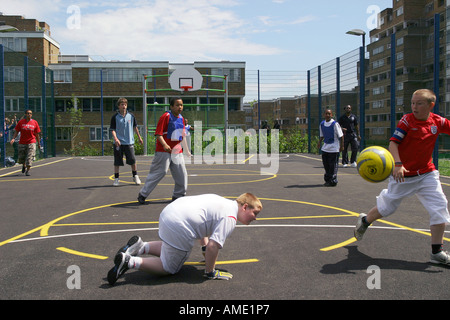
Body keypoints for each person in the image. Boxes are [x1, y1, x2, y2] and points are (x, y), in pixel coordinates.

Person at [354, 89, 450, 265]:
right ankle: (365, 221)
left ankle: (437, 253)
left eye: (419, 103)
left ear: (431, 105)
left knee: (440, 207)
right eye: (413, 103)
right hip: (404, 176)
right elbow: (393, 143)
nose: (414, 107)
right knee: (387, 208)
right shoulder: (407, 120)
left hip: (427, 174)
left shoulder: (438, 121)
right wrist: (398, 164)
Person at [107, 193, 262, 285]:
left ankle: (141, 247)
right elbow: (213, 247)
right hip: (179, 224)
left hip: (170, 212)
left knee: (172, 247)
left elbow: (204, 223)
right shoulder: (230, 217)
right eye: (254, 213)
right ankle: (129, 262)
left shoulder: (223, 202)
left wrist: (204, 246)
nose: (255, 218)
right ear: (244, 207)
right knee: (169, 267)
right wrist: (210, 271)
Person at [137, 97, 189, 204]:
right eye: (177, 105)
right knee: (159, 172)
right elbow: (158, 134)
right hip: (163, 151)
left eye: (181, 105)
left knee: (182, 174)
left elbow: (182, 136)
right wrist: (165, 145)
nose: (180, 107)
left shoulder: (182, 119)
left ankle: (178, 195)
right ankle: (143, 194)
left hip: (177, 151)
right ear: (171, 106)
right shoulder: (165, 116)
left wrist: (187, 150)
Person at [110, 97, 143, 186]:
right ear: (119, 106)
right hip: (119, 143)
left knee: (132, 160)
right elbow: (112, 129)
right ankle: (116, 179)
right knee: (117, 162)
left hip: (129, 142)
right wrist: (116, 139)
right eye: (122, 105)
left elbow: (135, 127)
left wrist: (139, 137)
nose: (124, 106)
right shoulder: (115, 117)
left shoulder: (131, 116)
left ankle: (135, 176)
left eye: (125, 104)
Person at [9, 109, 41, 176]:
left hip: (31, 142)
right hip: (22, 142)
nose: (29, 115)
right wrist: (13, 138)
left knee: (30, 156)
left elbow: (37, 134)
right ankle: (24, 165)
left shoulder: (35, 122)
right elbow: (16, 131)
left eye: (30, 113)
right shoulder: (21, 122)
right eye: (28, 113)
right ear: (25, 114)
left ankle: (28, 170)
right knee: (22, 157)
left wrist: (39, 143)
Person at [318, 108, 344, 187]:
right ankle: (327, 179)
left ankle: (333, 180)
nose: (327, 115)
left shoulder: (335, 124)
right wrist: (319, 142)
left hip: (334, 148)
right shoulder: (322, 124)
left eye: (329, 114)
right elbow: (322, 135)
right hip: (325, 148)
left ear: (331, 115)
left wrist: (342, 146)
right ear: (324, 115)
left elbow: (341, 136)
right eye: (326, 113)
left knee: (332, 165)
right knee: (326, 165)